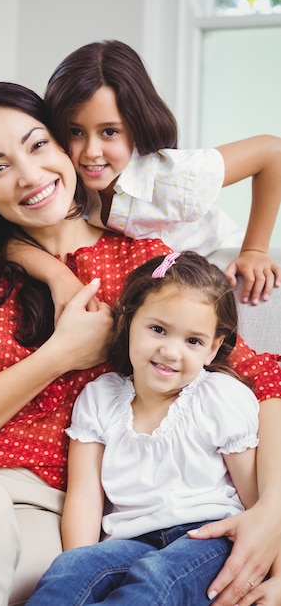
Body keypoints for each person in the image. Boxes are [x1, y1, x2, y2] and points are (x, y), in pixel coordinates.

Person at [0, 82, 280, 606]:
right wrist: (60, 354)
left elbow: (260, 377)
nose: (30, 175)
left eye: (38, 145)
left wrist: (273, 512)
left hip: (40, 506)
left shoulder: (140, 266)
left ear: (63, 148)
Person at [26, 251, 262, 605]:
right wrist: (80, 559)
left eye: (193, 341)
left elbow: (255, 499)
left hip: (208, 538)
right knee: (69, 573)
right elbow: (85, 497)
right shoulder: (99, 398)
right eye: (158, 329)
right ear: (128, 320)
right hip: (129, 541)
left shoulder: (220, 397)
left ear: (213, 348)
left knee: (155, 580)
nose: (171, 351)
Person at [8, 39, 281, 318]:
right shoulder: (67, 183)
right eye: (75, 131)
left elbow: (272, 152)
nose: (91, 152)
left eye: (109, 132)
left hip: (216, 262)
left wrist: (255, 248)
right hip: (157, 282)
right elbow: (4, 235)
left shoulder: (171, 175)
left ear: (137, 127)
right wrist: (56, 274)